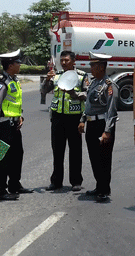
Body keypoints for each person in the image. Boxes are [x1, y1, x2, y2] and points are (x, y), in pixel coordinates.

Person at [0, 49, 34, 201]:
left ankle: (14, 184)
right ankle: (0, 191)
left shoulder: (13, 81)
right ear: (10, 65)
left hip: (14, 125)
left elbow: (14, 102)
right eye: (17, 63)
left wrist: (19, 115)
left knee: (17, 155)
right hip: (3, 126)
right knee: (1, 158)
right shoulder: (1, 84)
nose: (20, 65)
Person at [42, 51, 87, 191]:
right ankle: (56, 181)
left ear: (74, 61)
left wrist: (75, 94)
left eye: (66, 60)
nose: (63, 63)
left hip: (74, 117)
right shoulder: (56, 76)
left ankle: (76, 181)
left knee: (75, 151)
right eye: (62, 60)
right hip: (57, 117)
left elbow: (88, 95)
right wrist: (47, 80)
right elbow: (43, 91)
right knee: (57, 150)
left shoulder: (81, 76)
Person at [78, 52, 119, 201]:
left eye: (93, 66)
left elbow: (111, 111)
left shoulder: (109, 86)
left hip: (103, 125)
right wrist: (83, 119)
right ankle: (99, 186)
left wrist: (107, 131)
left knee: (104, 159)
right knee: (94, 157)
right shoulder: (94, 83)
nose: (91, 69)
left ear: (101, 67)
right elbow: (88, 104)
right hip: (91, 124)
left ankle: (104, 190)